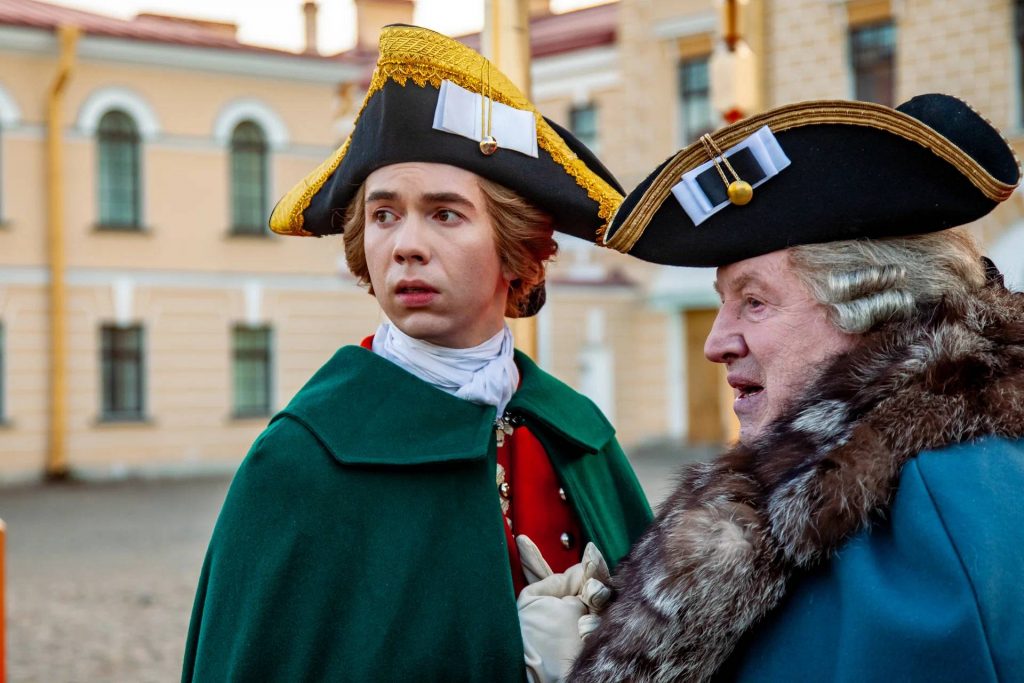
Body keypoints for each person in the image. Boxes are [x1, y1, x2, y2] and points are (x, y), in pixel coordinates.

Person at [181, 25, 652, 682]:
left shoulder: (578, 434)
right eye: (384, 215)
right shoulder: (302, 458)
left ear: (515, 248)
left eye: (445, 214)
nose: (406, 245)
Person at [571, 93, 1024, 681]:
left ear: (872, 307)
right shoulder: (851, 486)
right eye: (724, 302)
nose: (716, 342)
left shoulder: (939, 510)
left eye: (754, 302)